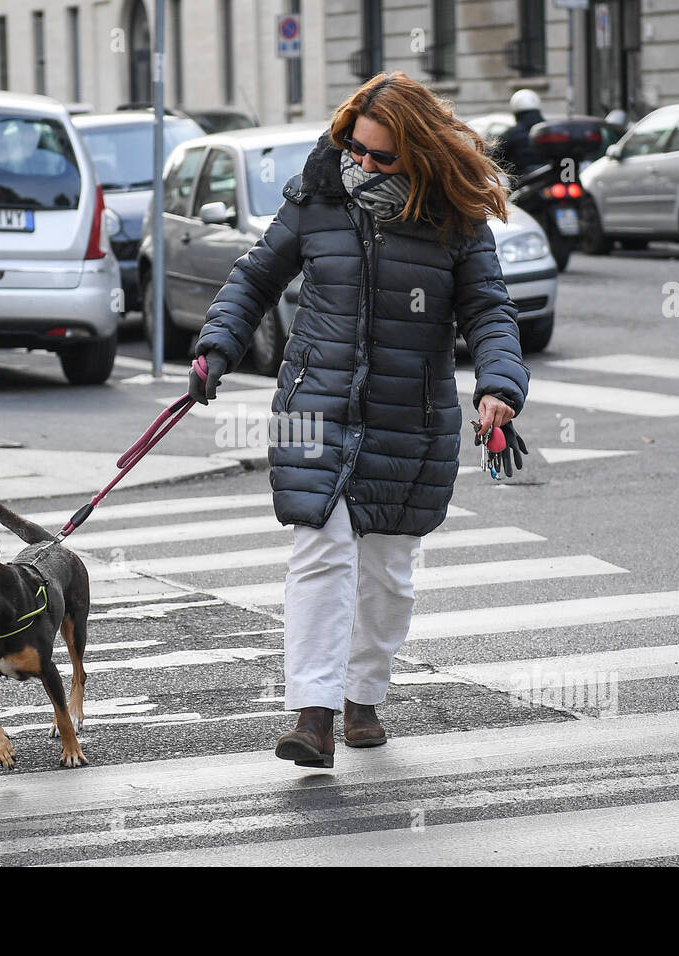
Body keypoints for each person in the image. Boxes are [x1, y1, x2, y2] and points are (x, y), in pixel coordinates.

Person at [187, 71, 529, 768]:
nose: (362, 165)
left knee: (387, 573)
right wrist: (216, 345)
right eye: (355, 148)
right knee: (322, 548)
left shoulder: (452, 220)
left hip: (409, 414)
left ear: (419, 152)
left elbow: (489, 310)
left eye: (381, 156)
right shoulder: (317, 196)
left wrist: (499, 385)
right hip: (314, 403)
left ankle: (362, 694)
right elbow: (256, 276)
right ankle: (311, 715)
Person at [496, 88, 546, 185]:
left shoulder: (511, 134)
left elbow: (497, 157)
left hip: (522, 182)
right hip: (549, 179)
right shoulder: (550, 130)